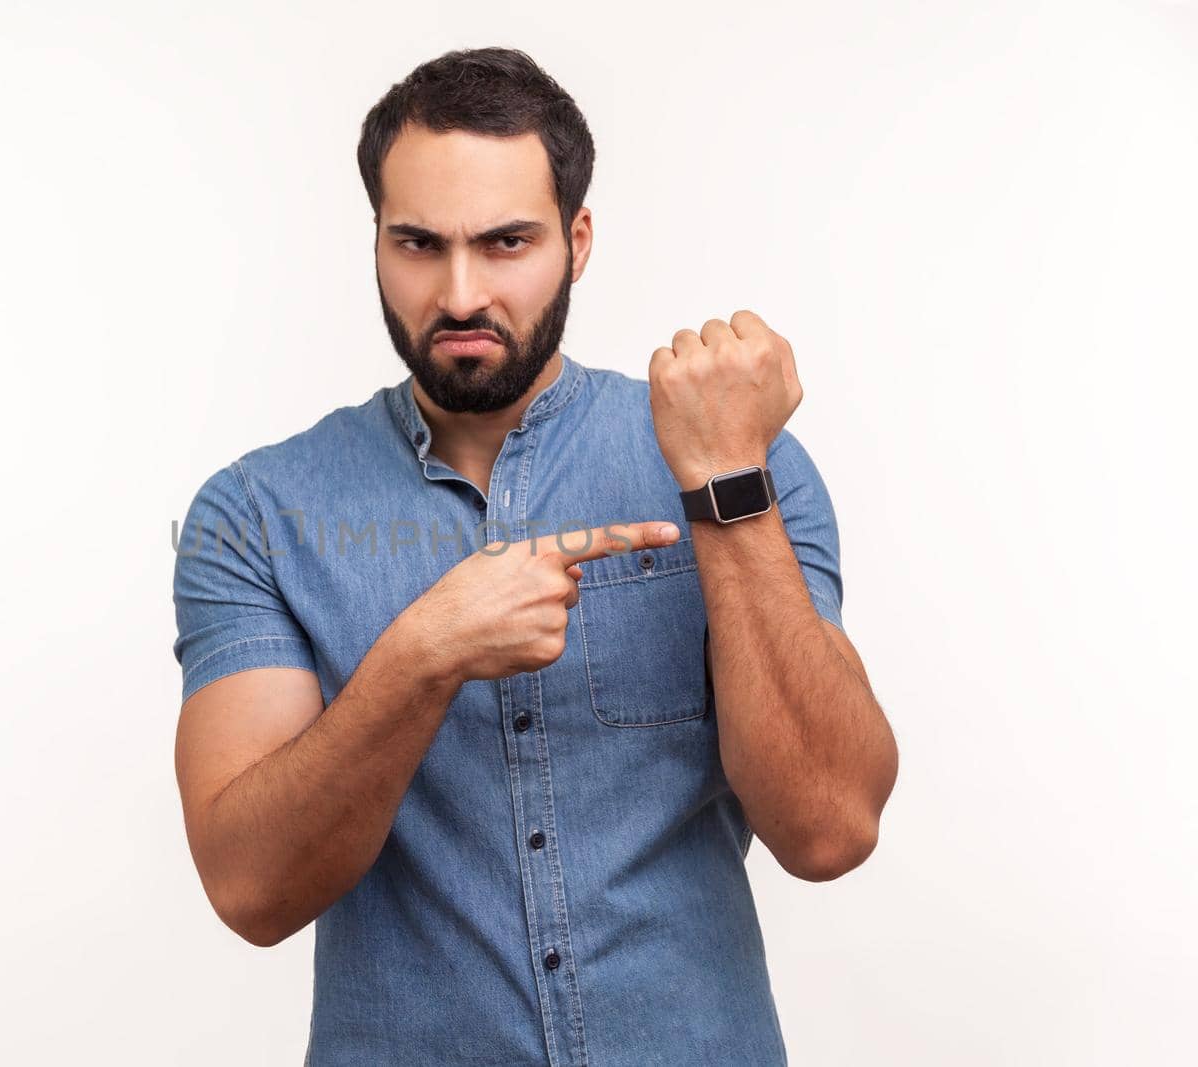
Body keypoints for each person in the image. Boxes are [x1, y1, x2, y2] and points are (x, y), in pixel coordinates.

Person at [170, 46, 898, 1066]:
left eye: (505, 242)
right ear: (374, 239)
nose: (460, 293)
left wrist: (724, 485)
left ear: (578, 237)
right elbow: (251, 888)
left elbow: (830, 826)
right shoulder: (257, 512)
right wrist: (423, 652)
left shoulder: (737, 454)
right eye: (417, 243)